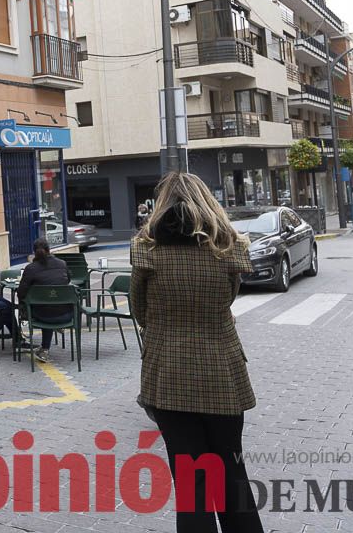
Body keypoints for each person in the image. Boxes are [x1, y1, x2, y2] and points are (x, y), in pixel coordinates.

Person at [130, 172, 264, 533]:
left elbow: (140, 312)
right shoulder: (229, 248)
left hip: (168, 376)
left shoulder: (146, 250)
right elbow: (228, 300)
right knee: (232, 474)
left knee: (192, 486)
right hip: (223, 374)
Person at [15, 238, 71, 363]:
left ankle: (44, 349)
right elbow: (67, 281)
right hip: (66, 315)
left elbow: (21, 293)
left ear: (34, 252)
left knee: (44, 307)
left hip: (43, 316)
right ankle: (46, 346)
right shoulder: (62, 264)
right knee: (49, 304)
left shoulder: (31, 268)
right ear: (49, 249)